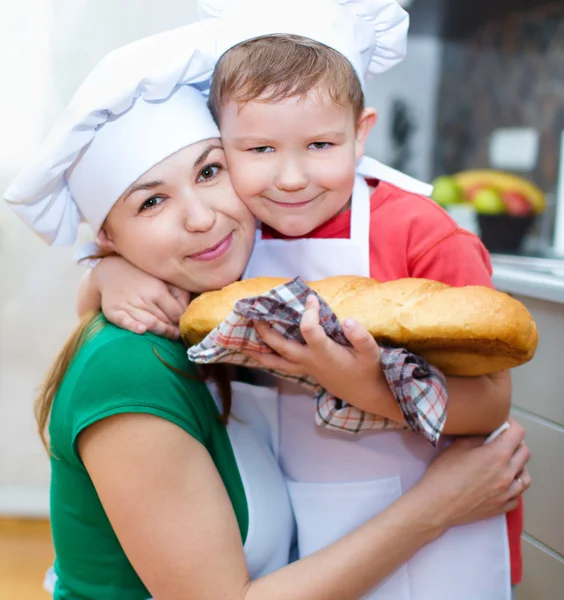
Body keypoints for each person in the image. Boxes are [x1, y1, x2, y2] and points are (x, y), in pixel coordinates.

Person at [4, 29, 532, 600]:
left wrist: (111, 272)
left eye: (209, 173)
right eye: (150, 202)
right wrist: (106, 271)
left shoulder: (223, 286)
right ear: (107, 234)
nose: (202, 219)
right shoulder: (130, 366)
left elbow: (491, 392)